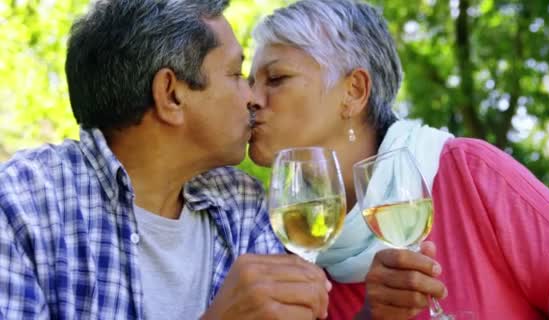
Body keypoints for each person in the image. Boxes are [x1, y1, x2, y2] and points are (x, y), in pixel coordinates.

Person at [248, 0, 549, 319]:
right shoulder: (267, 239)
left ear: (354, 92)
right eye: (247, 81)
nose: (250, 98)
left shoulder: (467, 172)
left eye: (276, 78)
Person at [0, 0, 332, 319]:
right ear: (171, 94)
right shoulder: (24, 204)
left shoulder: (240, 205)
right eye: (235, 74)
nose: (252, 97)